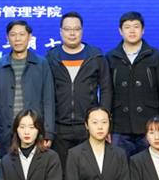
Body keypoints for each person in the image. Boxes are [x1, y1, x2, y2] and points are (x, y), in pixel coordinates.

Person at [45, 12, 113, 171]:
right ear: (61, 32)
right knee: (62, 173)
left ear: (82, 31)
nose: (72, 33)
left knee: (89, 172)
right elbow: (47, 95)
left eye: (76, 29)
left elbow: (106, 90)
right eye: (68, 29)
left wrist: (104, 123)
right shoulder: (51, 57)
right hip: (60, 127)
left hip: (88, 127)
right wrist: (48, 129)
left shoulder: (95, 56)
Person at [105, 11, 159, 156]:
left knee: (149, 167)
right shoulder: (111, 57)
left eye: (136, 26)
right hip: (120, 127)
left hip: (150, 126)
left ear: (143, 30)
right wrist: (107, 126)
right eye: (127, 27)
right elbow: (107, 92)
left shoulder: (155, 56)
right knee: (120, 167)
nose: (132, 31)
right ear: (120, 31)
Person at [0, 20, 56, 149]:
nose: (17, 39)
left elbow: (48, 100)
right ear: (7, 38)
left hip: (34, 131)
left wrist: (48, 133)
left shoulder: (41, 64)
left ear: (30, 37)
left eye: (22, 34)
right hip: (7, 133)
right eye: (13, 35)